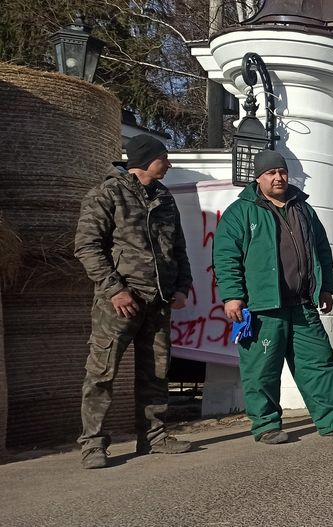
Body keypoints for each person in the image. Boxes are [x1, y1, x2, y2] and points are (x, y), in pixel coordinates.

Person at [213, 150, 333, 444]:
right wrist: (232, 296)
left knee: (319, 362)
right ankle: (266, 425)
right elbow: (226, 256)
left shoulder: (303, 209)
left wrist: (325, 287)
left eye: (282, 171)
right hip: (262, 307)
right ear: (258, 178)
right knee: (261, 370)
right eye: (271, 173)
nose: (278, 177)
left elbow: (322, 249)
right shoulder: (241, 212)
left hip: (302, 304)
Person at [73, 135, 194, 468]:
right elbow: (87, 247)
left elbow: (179, 248)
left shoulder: (165, 198)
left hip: (159, 301)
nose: (168, 164)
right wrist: (115, 289)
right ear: (145, 160)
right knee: (102, 372)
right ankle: (93, 444)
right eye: (164, 158)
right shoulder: (106, 194)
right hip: (119, 301)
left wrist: (183, 286)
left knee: (156, 371)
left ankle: (153, 438)